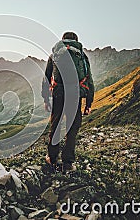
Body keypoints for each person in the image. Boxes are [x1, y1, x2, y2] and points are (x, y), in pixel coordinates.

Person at [42, 31, 94, 174]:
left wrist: (46, 99)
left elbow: (46, 79)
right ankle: (68, 163)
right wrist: (88, 103)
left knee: (56, 126)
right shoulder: (82, 56)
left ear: (63, 40)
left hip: (58, 94)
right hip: (75, 96)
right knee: (72, 128)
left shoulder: (54, 56)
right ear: (76, 41)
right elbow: (89, 81)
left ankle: (52, 158)